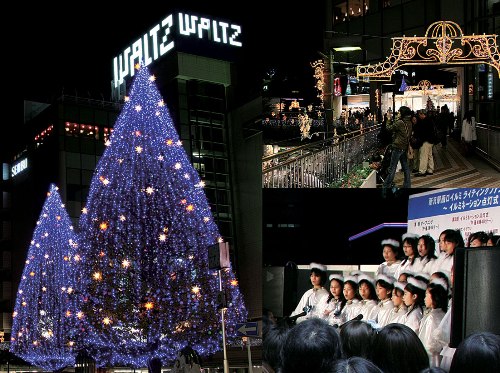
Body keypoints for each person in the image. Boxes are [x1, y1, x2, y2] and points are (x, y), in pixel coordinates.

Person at [382, 105, 413, 196]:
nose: (398, 113)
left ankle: (385, 186)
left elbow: (389, 128)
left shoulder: (400, 122)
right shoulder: (409, 122)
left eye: (399, 112)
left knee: (392, 168)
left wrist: (388, 119)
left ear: (402, 113)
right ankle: (407, 185)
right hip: (404, 147)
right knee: (405, 167)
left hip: (397, 147)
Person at [418, 279, 449, 367]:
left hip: (430, 358)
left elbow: (428, 344)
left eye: (427, 295)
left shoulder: (431, 317)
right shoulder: (443, 314)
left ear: (434, 297)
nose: (424, 298)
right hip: (440, 356)